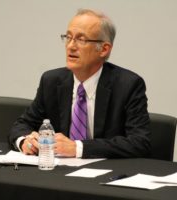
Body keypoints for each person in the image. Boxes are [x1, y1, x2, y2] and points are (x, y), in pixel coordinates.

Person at [9, 8, 151, 158]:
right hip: (57, 173)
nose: (71, 46)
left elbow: (139, 142)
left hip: (104, 175)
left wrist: (78, 148)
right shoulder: (51, 81)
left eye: (81, 39)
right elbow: (22, 125)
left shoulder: (128, 85)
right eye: (68, 37)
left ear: (104, 49)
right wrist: (25, 141)